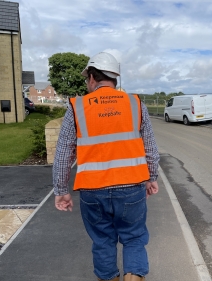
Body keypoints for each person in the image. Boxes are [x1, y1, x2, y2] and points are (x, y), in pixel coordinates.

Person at [53, 50, 160, 281]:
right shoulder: (136, 103)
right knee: (133, 238)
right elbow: (150, 147)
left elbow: (63, 153)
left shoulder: (76, 107)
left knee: (103, 241)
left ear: (92, 77)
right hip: (132, 187)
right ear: (115, 79)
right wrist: (152, 178)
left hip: (92, 191)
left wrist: (61, 191)